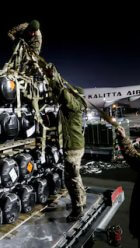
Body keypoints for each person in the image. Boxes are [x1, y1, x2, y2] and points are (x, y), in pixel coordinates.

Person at [59, 86, 87, 222]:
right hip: (76, 146)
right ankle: (82, 200)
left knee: (71, 179)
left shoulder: (75, 104)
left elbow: (65, 94)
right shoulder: (78, 105)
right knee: (76, 177)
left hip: (73, 148)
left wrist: (65, 87)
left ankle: (78, 209)